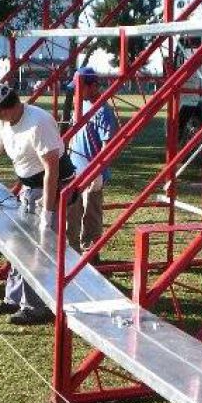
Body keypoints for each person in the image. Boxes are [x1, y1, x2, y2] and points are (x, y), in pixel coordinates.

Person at [0, 82, 74, 325]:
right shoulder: (4, 123)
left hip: (53, 189)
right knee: (19, 245)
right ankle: (13, 298)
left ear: (4, 109)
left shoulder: (38, 122)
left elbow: (52, 170)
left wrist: (48, 213)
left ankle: (36, 307)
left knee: (37, 249)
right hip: (31, 188)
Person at [66, 67, 117, 266]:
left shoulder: (103, 110)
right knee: (72, 212)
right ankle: (72, 253)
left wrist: (97, 171)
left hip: (93, 171)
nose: (76, 92)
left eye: (80, 87)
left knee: (91, 214)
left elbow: (108, 145)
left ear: (93, 86)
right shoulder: (81, 104)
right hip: (75, 169)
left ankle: (91, 254)